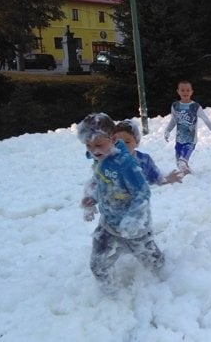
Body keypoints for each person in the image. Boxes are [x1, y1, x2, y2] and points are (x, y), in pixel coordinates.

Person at [77, 113, 165, 294]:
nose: (94, 151)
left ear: (113, 138)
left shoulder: (126, 164)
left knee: (153, 262)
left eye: (98, 145)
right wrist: (91, 197)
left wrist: (132, 219)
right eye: (88, 145)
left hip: (135, 229)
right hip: (108, 225)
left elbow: (143, 192)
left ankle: (166, 283)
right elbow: (99, 180)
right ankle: (111, 296)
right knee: (97, 265)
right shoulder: (99, 158)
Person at [164, 81, 211, 175]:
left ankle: (189, 177)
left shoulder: (195, 106)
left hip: (190, 141)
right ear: (178, 91)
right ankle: (190, 176)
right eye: (183, 90)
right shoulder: (175, 106)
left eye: (188, 90)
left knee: (182, 162)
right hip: (179, 139)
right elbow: (174, 120)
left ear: (192, 92)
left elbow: (206, 120)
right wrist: (167, 130)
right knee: (179, 164)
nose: (185, 92)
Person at [114, 119, 183, 185]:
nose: (122, 145)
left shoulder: (144, 160)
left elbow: (157, 180)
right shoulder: (111, 160)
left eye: (127, 142)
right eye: (118, 142)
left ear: (136, 142)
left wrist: (167, 180)